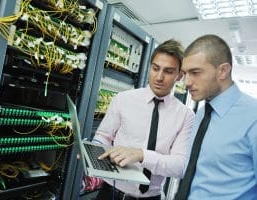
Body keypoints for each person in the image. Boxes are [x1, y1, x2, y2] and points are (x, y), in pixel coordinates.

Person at [93, 39, 195, 200]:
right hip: (111, 193)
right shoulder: (123, 99)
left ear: (179, 76)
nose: (159, 77)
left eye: (168, 71)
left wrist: (142, 155)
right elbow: (103, 136)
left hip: (151, 197)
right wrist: (93, 151)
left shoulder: (186, 115)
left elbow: (180, 166)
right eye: (155, 68)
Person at [175, 34, 257, 199]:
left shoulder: (253, 118)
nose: (187, 82)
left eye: (195, 72)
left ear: (223, 71)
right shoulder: (201, 115)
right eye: (185, 74)